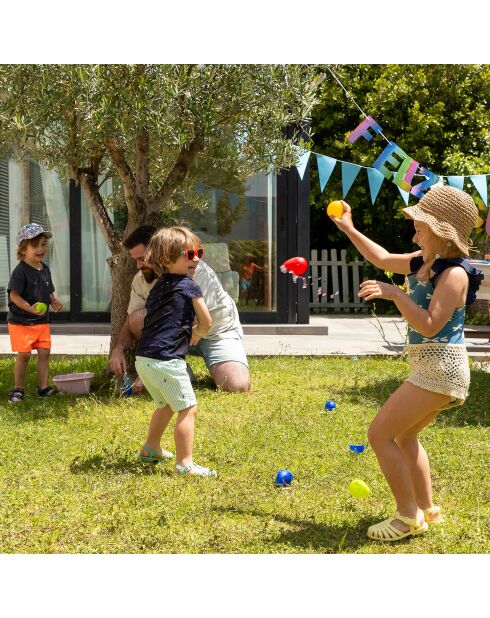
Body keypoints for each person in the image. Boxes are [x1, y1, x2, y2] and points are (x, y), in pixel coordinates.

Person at [329, 186, 483, 541]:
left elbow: (430, 324)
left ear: (443, 233)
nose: (415, 233)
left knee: (379, 434)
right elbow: (382, 259)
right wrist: (350, 229)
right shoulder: (425, 262)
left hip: (441, 369)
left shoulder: (454, 274)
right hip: (430, 368)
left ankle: (407, 517)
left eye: (421, 228)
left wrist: (395, 294)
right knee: (405, 434)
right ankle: (428, 509)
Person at [109, 225, 250, 393]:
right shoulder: (141, 280)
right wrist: (118, 349)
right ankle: (181, 371)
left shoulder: (196, 274)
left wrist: (158, 368)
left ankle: (174, 368)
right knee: (138, 318)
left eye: (142, 258)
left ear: (160, 255)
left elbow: (193, 325)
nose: (138, 265)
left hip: (215, 333)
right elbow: (132, 319)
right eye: (136, 260)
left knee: (236, 385)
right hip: (180, 334)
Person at [135, 226, 217, 477]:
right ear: (165, 260)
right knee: (188, 408)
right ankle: (185, 464)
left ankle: (151, 448)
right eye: (189, 254)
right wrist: (198, 333)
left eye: (198, 252)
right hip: (167, 360)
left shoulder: (159, 286)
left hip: (144, 359)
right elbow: (207, 322)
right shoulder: (189, 285)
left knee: (166, 404)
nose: (196, 259)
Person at [6, 223, 64, 403]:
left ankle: (43, 388)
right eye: (35, 245)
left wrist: (53, 300)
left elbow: (48, 290)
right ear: (23, 249)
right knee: (24, 355)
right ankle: (18, 389)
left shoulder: (44, 269)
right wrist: (29, 308)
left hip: (41, 322)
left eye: (44, 244)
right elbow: (14, 296)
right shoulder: (20, 271)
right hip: (21, 322)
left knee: (45, 353)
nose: (41, 249)